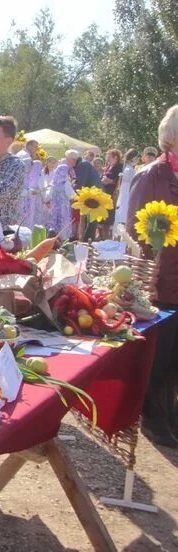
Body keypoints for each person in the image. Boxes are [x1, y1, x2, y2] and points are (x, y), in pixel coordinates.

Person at [127, 105, 178, 447]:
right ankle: (153, 417)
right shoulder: (151, 176)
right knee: (161, 355)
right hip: (162, 283)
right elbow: (134, 229)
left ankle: (169, 414)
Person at [48, 150, 79, 239]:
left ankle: (53, 238)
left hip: (54, 208)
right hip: (63, 207)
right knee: (63, 223)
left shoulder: (54, 183)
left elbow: (49, 196)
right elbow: (72, 195)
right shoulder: (65, 183)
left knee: (54, 222)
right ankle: (63, 239)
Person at [113, 148, 139, 235]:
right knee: (125, 213)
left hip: (125, 194)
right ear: (134, 158)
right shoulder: (130, 170)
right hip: (128, 194)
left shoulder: (127, 168)